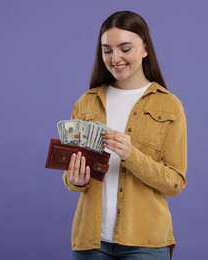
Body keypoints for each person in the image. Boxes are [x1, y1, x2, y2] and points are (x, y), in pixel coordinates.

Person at [63, 10, 187, 259]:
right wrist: (75, 180)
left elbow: (175, 182)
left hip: (146, 244)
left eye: (125, 48)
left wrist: (132, 155)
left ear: (145, 48)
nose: (115, 57)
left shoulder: (170, 106)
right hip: (90, 242)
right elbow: (71, 177)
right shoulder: (86, 103)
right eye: (107, 50)